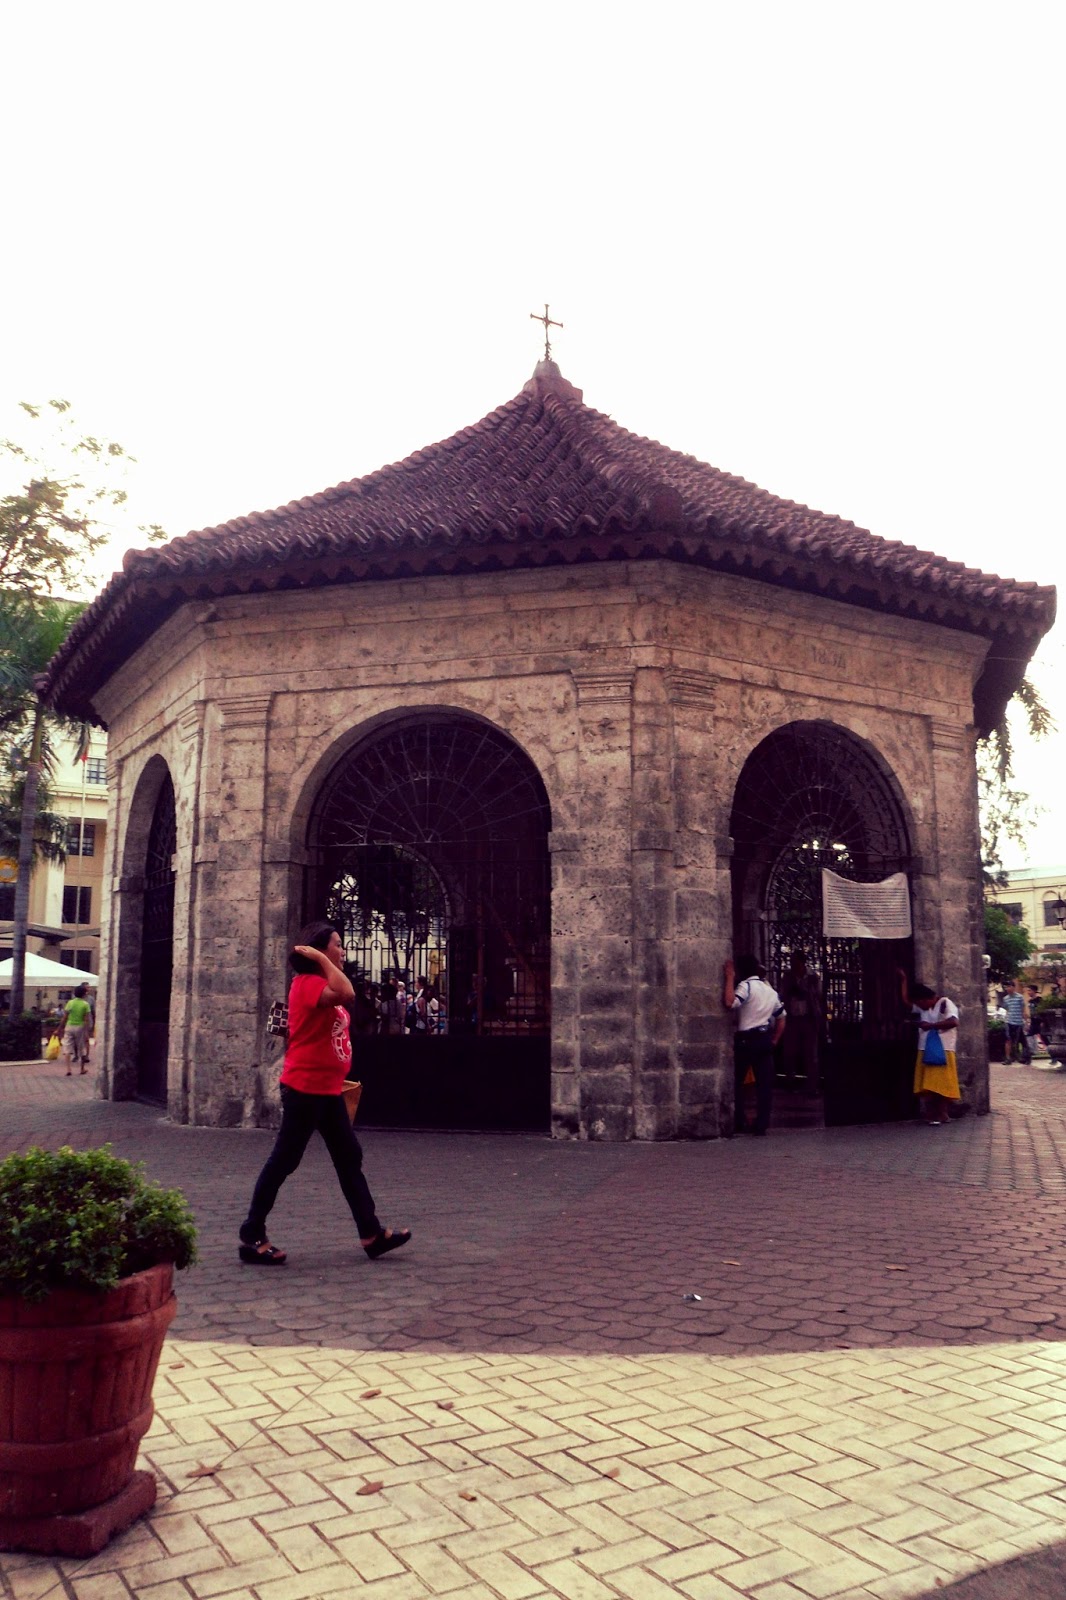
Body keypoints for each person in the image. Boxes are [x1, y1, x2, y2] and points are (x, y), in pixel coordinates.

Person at [237, 921, 411, 1266]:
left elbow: (341, 995)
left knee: (349, 1158)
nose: (343, 950)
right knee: (284, 1160)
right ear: (318, 950)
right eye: (337, 945)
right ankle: (251, 1233)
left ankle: (371, 1234)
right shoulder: (306, 984)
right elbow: (347, 993)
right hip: (304, 1090)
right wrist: (321, 959)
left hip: (327, 1090)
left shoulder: (319, 984)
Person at [723, 956, 786, 1136]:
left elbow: (730, 1002)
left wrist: (729, 977)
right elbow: (782, 1017)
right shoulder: (770, 991)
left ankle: (739, 1119)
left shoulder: (746, 987)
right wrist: (775, 1039)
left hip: (746, 1040)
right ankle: (761, 1124)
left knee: (737, 1082)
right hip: (764, 1039)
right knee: (764, 1085)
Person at [899, 969, 960, 1125]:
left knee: (941, 1084)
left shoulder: (945, 1003)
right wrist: (904, 980)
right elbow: (906, 1001)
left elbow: (953, 1022)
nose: (920, 1006)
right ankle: (933, 1114)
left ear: (927, 999)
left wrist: (931, 1025)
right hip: (925, 1048)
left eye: (921, 1003)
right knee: (928, 1085)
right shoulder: (923, 1007)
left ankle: (942, 1113)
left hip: (943, 1049)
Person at [780, 952, 822, 1090]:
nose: (793, 965)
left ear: (802, 963)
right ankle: (790, 1082)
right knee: (790, 1052)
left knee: (810, 1053)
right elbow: (783, 993)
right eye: (792, 962)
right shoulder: (787, 976)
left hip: (808, 1018)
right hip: (792, 1018)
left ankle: (812, 1085)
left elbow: (818, 995)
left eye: (795, 962)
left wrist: (805, 991)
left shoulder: (812, 977)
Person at [61, 984, 94, 1076]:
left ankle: (68, 1069)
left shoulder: (70, 1003)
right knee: (81, 1048)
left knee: (67, 1048)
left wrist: (59, 1028)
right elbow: (86, 1019)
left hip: (69, 1026)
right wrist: (87, 1031)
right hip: (80, 1027)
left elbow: (65, 1017)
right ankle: (82, 1069)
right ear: (84, 994)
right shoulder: (85, 1004)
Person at [1003, 979, 1031, 1064]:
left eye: (1009, 986)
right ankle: (1008, 1058)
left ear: (1013, 987)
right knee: (1008, 1040)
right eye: (1006, 987)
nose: (1007, 989)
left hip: (1018, 1022)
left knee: (1018, 1041)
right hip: (1009, 1021)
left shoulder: (1019, 997)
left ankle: (1022, 1057)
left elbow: (1023, 1010)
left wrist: (1026, 1022)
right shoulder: (1005, 998)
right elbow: (1007, 1009)